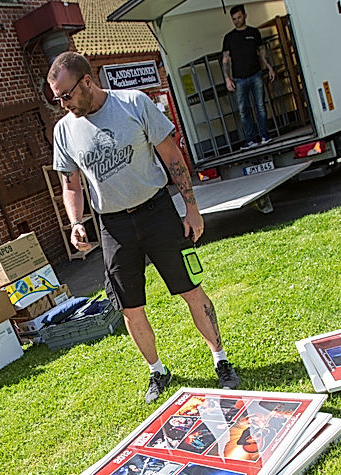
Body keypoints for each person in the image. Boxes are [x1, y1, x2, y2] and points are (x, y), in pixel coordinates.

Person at [47, 51, 242, 403]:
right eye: (56, 98)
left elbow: (171, 156)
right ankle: (156, 369)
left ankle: (221, 359)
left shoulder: (133, 103)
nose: (63, 104)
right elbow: (71, 184)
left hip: (158, 212)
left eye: (66, 95)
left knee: (190, 290)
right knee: (129, 306)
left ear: (87, 81)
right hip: (114, 226)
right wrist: (76, 222)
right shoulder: (64, 130)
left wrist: (192, 209)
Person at [221, 5, 277, 149]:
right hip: (239, 78)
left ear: (245, 16)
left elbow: (262, 50)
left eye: (239, 17)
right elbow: (225, 59)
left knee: (260, 106)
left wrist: (269, 67)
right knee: (243, 110)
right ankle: (251, 139)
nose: (237, 21)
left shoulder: (254, 32)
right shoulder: (229, 38)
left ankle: (264, 135)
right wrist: (227, 78)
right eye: (234, 19)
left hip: (256, 74)